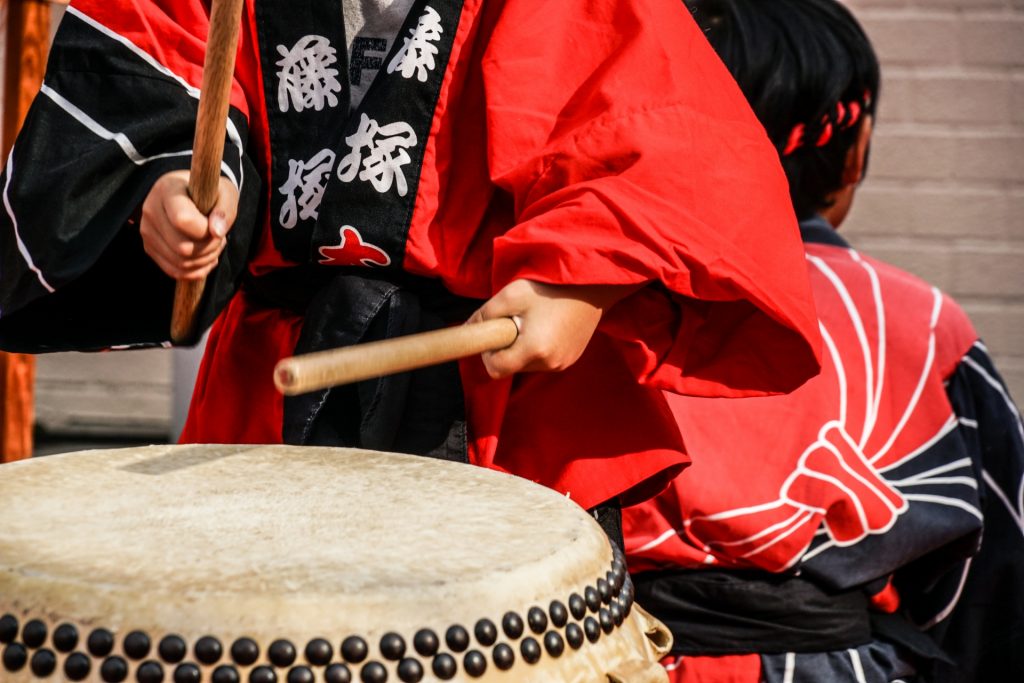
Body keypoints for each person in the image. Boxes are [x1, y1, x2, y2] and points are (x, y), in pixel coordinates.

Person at [0, 0, 822, 532]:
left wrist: (583, 278)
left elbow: (651, 128)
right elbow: (154, 79)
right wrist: (168, 189)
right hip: (277, 373)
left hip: (492, 379)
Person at [622, 0, 1024, 680]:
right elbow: (991, 583)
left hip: (603, 661)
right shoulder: (922, 327)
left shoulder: (568, 314)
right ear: (854, 148)